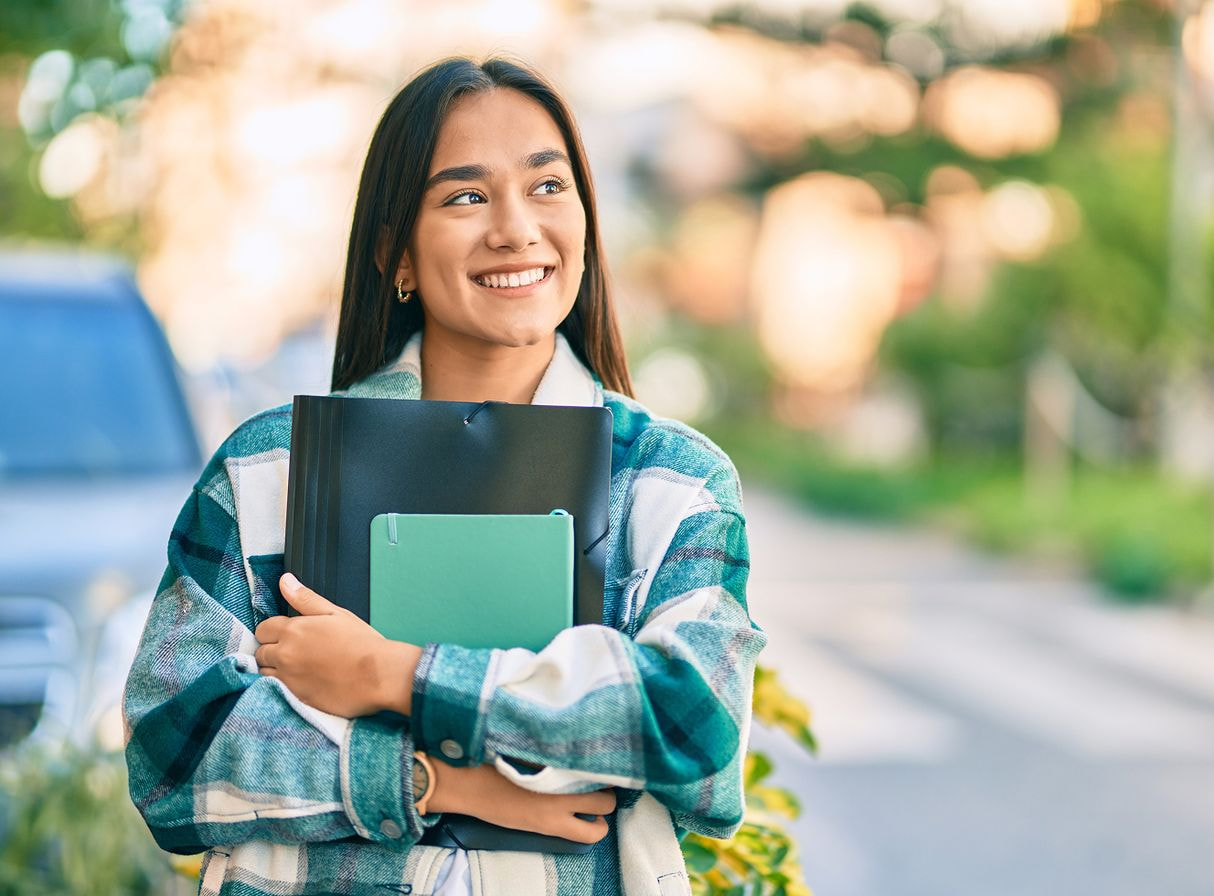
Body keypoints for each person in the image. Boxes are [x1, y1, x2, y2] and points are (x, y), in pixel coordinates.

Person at [123, 55, 765, 896]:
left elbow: (693, 731)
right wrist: (433, 781)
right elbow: (172, 757)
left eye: (547, 187)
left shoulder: (669, 483)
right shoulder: (270, 469)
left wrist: (391, 674)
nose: (515, 229)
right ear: (396, 250)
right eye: (466, 196)